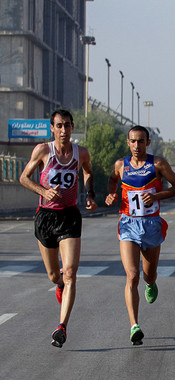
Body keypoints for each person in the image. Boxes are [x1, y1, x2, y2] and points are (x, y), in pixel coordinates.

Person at [19, 109, 97, 347]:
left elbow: (88, 172)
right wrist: (44, 191)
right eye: (59, 126)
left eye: (67, 125)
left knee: (71, 271)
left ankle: (62, 327)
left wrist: (90, 193)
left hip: (70, 216)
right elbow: (23, 177)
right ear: (52, 128)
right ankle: (59, 285)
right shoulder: (43, 151)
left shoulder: (81, 153)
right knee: (55, 275)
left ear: (72, 127)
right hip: (46, 216)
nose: (64, 130)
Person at [105, 125, 175, 345]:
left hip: (151, 224)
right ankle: (134, 325)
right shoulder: (121, 165)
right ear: (128, 143)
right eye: (132, 141)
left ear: (148, 142)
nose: (136, 146)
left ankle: (151, 283)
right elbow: (113, 180)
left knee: (148, 275)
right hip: (128, 223)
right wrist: (112, 194)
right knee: (132, 275)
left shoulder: (158, 164)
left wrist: (156, 196)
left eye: (141, 141)